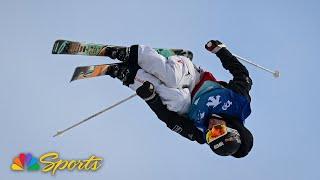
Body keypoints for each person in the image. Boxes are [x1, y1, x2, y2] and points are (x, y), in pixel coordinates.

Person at [104, 40, 253, 158]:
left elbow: (170, 119)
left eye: (210, 135)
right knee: (173, 78)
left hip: (185, 100)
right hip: (195, 78)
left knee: (178, 100)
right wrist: (220, 51)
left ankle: (130, 74)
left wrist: (151, 99)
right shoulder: (239, 103)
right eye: (218, 131)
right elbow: (241, 74)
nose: (211, 128)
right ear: (232, 130)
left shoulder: (198, 133)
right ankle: (135, 54)